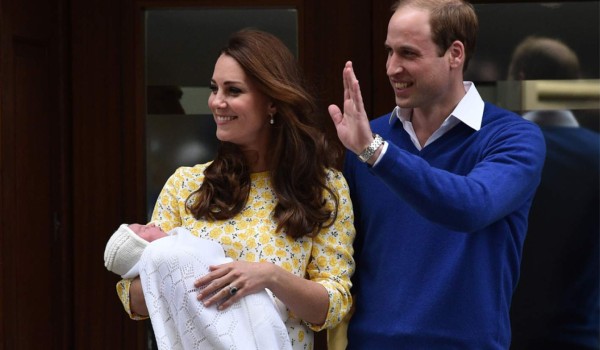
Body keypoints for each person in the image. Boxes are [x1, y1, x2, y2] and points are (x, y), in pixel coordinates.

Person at [114, 28, 356, 350]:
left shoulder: (322, 188)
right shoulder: (186, 185)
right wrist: (188, 276)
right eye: (214, 88)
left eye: (233, 90)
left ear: (272, 102)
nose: (216, 101)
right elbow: (133, 300)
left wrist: (269, 277)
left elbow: (335, 304)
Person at [326, 0, 546, 349]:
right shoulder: (367, 141)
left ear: (455, 54)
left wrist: (376, 153)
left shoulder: (513, 136)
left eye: (409, 54)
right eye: (389, 52)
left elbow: (471, 205)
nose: (392, 67)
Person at [507, 36, 600, 350]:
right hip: (585, 336)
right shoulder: (596, 155)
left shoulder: (495, 157)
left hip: (508, 336)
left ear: (520, 81)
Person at [104, 223, 291, 349]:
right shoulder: (164, 254)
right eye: (143, 230)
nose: (151, 224)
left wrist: (269, 276)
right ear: (143, 250)